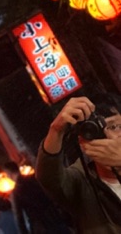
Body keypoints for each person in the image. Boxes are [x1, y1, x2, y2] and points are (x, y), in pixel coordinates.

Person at [35, 93, 121, 232]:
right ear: (83, 143)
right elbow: (48, 177)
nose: (109, 137)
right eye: (98, 132)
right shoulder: (81, 180)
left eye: (114, 127)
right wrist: (56, 130)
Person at [3, 161, 73, 234]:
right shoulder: (35, 179)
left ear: (9, 173)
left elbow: (19, 218)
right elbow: (51, 195)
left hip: (41, 227)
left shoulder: (16, 192)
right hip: (55, 218)